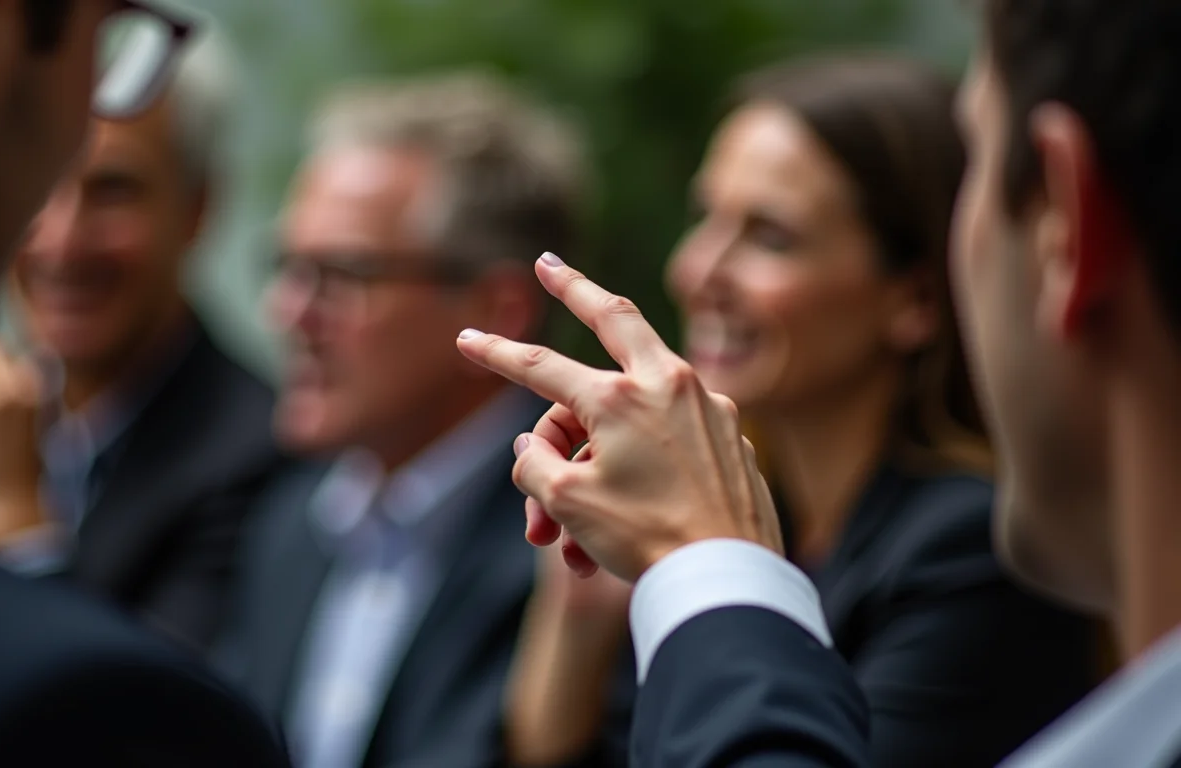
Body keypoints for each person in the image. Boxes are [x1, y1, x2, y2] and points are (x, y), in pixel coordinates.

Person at [457, 0, 1181, 764]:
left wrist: (705, 565)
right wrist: (577, 611)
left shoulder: (970, 550)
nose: (698, 272)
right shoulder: (763, 516)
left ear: (916, 297)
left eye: (770, 237)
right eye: (706, 218)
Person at [0, 1, 286, 765]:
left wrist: (18, 530)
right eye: (48, 184)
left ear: (198, 209)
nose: (61, 241)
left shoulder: (266, 455)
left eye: (112, 191)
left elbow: (153, 728)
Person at [215, 71, 629, 768]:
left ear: (498, 314)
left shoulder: (586, 547)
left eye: (341, 275)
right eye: (288, 269)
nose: (289, 314)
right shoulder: (288, 523)